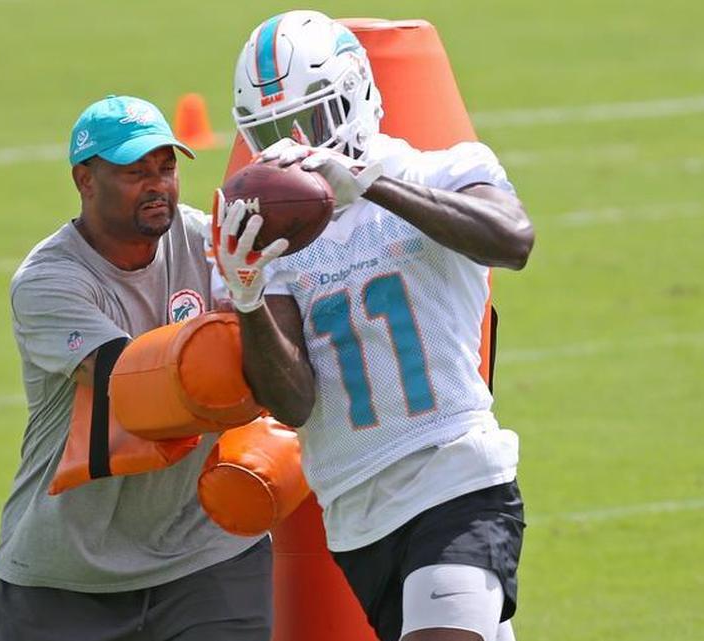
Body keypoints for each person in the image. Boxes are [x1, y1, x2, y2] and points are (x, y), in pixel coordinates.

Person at [213, 10, 536, 641]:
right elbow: (294, 401)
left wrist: (375, 186)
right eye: (274, 130)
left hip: (457, 477)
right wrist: (247, 299)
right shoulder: (275, 230)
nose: (297, 143)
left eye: (312, 119)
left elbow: (513, 240)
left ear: (358, 94)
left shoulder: (442, 171)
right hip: (357, 516)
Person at [0, 95, 272, 641]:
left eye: (166, 168)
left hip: (206, 554)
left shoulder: (209, 241)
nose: (158, 184)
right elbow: (141, 384)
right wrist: (246, 313)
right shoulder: (48, 282)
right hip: (67, 574)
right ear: (84, 180)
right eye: (136, 172)